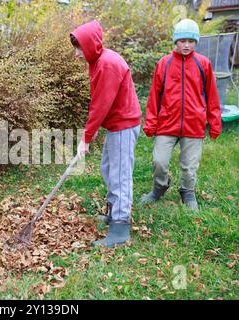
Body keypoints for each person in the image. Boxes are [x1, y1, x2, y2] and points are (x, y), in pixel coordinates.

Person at [70, 20, 142, 248]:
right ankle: (113, 212)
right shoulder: (98, 60)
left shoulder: (107, 65)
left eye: (79, 48)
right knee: (108, 168)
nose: (76, 54)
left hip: (123, 124)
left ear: (90, 45)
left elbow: (100, 106)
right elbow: (100, 103)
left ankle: (120, 229)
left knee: (120, 175)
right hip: (116, 125)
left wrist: (86, 138)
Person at [140, 19, 221, 210]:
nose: (186, 45)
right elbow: (154, 97)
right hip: (167, 123)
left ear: (196, 42)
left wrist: (215, 123)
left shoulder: (203, 64)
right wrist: (151, 123)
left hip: (194, 124)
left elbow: (212, 96)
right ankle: (159, 187)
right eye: (182, 40)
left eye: (191, 41)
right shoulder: (164, 64)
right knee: (159, 161)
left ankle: (188, 192)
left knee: (189, 167)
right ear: (175, 41)